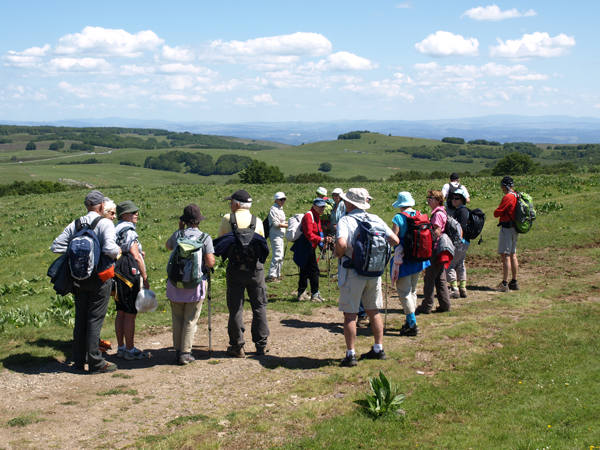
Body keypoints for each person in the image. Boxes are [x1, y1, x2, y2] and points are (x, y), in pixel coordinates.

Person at [51, 190, 120, 374]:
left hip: (78, 278)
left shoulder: (76, 223)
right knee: (95, 319)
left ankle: (79, 359)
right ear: (102, 206)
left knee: (81, 318)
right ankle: (96, 362)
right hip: (100, 278)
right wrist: (118, 251)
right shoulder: (105, 223)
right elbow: (110, 249)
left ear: (86, 205)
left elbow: (56, 246)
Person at [335, 188, 399, 367]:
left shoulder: (346, 220)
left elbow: (341, 243)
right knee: (374, 311)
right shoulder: (376, 218)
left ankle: (350, 354)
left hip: (352, 272)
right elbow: (394, 240)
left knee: (350, 315)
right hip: (374, 272)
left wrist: (340, 254)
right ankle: (378, 348)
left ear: (349, 203)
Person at [217, 189, 270, 358]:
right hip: (256, 269)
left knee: (235, 307)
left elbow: (221, 239)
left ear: (237, 204)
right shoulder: (257, 221)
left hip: (234, 269)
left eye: (231, 202)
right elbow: (262, 242)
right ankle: (261, 345)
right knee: (259, 306)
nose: (230, 205)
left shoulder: (228, 219)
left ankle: (237, 345)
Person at [165, 204, 215, 365]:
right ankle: (186, 353)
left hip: (175, 283)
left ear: (184, 221)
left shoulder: (177, 235)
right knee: (190, 319)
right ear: (199, 220)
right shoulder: (204, 238)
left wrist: (179, 229)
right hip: (195, 284)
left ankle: (178, 350)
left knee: (177, 318)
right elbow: (210, 262)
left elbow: (168, 246)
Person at [390, 191, 431, 336]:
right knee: (413, 289)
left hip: (404, 258)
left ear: (400, 204)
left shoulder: (398, 217)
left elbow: (394, 238)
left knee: (404, 291)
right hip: (419, 258)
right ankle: (409, 321)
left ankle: (412, 323)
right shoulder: (419, 214)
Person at [114, 201, 150, 361]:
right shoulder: (128, 231)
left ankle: (121, 347)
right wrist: (145, 277)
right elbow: (135, 255)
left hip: (118, 274)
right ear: (124, 215)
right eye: (132, 212)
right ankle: (130, 349)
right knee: (130, 313)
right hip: (129, 275)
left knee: (120, 312)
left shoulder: (115, 229)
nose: (136, 214)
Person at [416, 190, 451, 314]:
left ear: (438, 200)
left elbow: (436, 232)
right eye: (428, 197)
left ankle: (427, 306)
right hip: (440, 249)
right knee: (440, 278)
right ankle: (445, 304)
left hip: (435, 249)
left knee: (429, 278)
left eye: (431, 197)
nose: (428, 199)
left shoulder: (437, 214)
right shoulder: (442, 212)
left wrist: (426, 238)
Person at [296, 198, 332, 302]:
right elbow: (309, 235)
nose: (322, 208)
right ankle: (315, 294)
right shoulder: (309, 215)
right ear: (314, 206)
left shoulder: (317, 216)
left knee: (305, 270)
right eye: (320, 206)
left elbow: (318, 231)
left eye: (323, 206)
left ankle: (301, 293)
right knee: (314, 271)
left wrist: (324, 239)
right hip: (306, 246)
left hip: (310, 246)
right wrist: (321, 239)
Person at [494, 176, 519, 292]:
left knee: (505, 255)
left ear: (505, 186)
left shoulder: (508, 197)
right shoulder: (516, 195)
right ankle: (514, 281)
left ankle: (504, 283)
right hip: (515, 228)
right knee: (513, 254)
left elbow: (496, 213)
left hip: (507, 228)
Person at [447, 188, 470, 298]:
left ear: (463, 200)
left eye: (457, 198)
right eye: (452, 198)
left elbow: (461, 227)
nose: (454, 200)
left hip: (459, 242)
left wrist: (456, 241)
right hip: (465, 241)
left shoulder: (462, 211)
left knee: (450, 264)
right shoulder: (462, 210)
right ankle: (463, 287)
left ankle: (454, 288)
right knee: (460, 263)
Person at [266, 192, 288, 283]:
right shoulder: (273, 209)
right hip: (275, 235)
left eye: (284, 199)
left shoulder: (280, 209)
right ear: (276, 200)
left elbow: (282, 221)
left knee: (281, 255)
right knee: (277, 255)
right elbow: (276, 224)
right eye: (281, 199)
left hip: (280, 235)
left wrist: (288, 222)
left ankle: (278, 274)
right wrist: (288, 226)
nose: (283, 201)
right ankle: (271, 275)